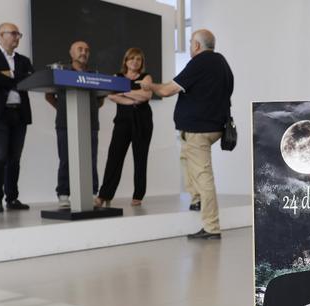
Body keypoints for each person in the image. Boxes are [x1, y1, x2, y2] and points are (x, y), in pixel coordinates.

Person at [139, 29, 233, 240]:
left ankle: (211, 227)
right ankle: (196, 198)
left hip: (199, 130)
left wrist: (148, 85)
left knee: (203, 175)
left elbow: (166, 90)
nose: (190, 46)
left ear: (197, 46)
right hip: (214, 127)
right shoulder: (222, 63)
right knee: (186, 157)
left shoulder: (199, 63)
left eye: (191, 42)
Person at [0, 22, 33, 213]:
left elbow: (29, 81)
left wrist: (8, 76)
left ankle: (12, 198)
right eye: (13, 33)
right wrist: (16, 78)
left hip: (19, 113)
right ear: (1, 35)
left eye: (19, 34)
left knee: (15, 159)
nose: (17, 37)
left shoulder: (24, 60)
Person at [46, 41, 103, 208]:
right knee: (66, 158)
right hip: (65, 123)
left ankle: (92, 193)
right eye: (80, 49)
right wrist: (67, 110)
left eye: (87, 50)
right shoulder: (60, 73)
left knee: (90, 158)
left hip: (90, 124)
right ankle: (63, 194)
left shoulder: (95, 74)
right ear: (71, 53)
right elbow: (49, 96)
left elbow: (100, 99)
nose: (84, 52)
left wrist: (85, 111)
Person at [95, 48, 154, 208]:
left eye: (138, 59)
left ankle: (138, 195)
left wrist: (124, 93)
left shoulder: (145, 77)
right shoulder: (117, 77)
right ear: (126, 61)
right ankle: (104, 195)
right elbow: (111, 95)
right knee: (114, 157)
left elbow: (147, 96)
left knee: (140, 158)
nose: (135, 62)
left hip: (143, 121)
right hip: (122, 121)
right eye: (132, 58)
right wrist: (134, 97)